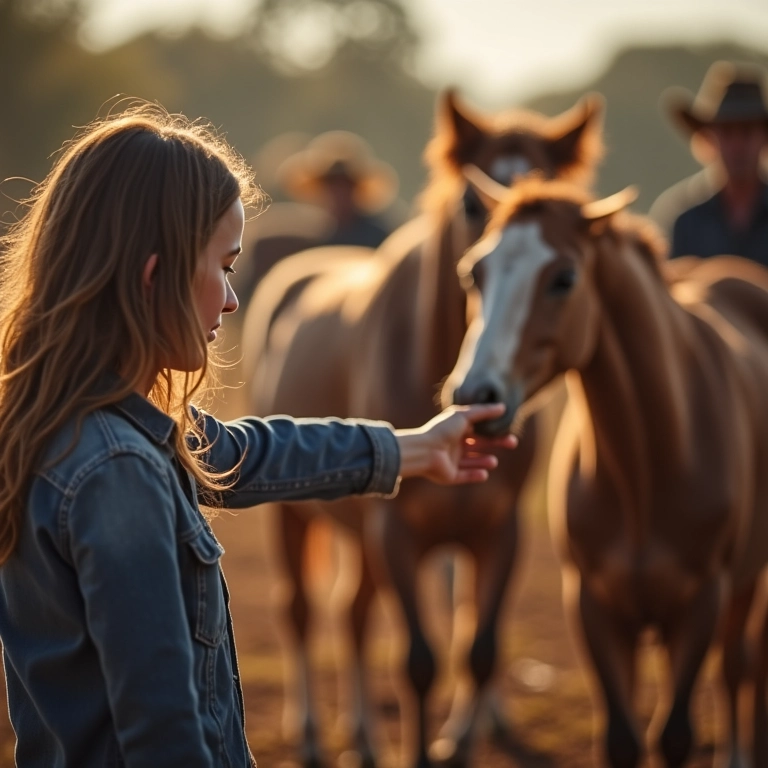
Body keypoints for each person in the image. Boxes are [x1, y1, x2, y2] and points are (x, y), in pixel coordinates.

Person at [0, 104, 516, 767]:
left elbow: (244, 452)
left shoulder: (71, 424)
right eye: (225, 267)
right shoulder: (117, 472)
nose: (232, 301)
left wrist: (414, 448)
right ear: (155, 276)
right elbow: (164, 734)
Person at [236, 130, 402, 300]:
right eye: (331, 186)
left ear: (355, 189)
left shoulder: (379, 237)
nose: (337, 194)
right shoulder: (314, 234)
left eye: (343, 186)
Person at [648, 61, 768, 264]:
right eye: (727, 132)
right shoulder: (680, 217)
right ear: (709, 138)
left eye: (747, 131)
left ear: (764, 137)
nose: (737, 145)